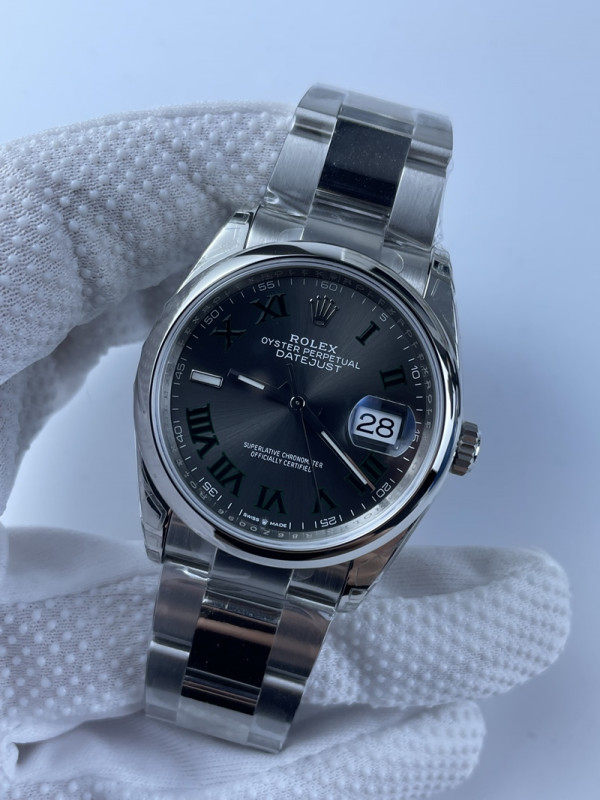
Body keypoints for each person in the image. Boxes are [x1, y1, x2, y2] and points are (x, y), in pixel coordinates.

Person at [0, 102, 570, 799]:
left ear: (450, 444)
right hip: (224, 505)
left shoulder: (411, 321)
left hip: (276, 516)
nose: (302, 405)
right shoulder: (240, 271)